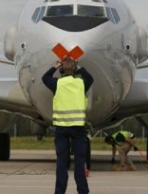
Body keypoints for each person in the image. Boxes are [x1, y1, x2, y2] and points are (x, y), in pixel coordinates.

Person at [42, 57, 93, 194]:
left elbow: (45, 77)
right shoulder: (81, 83)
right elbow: (90, 78)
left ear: (61, 70)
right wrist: (79, 66)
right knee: (79, 161)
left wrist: (55, 66)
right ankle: (82, 191)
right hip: (78, 128)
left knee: (62, 163)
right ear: (75, 70)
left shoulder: (56, 83)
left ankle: (59, 191)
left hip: (61, 128)